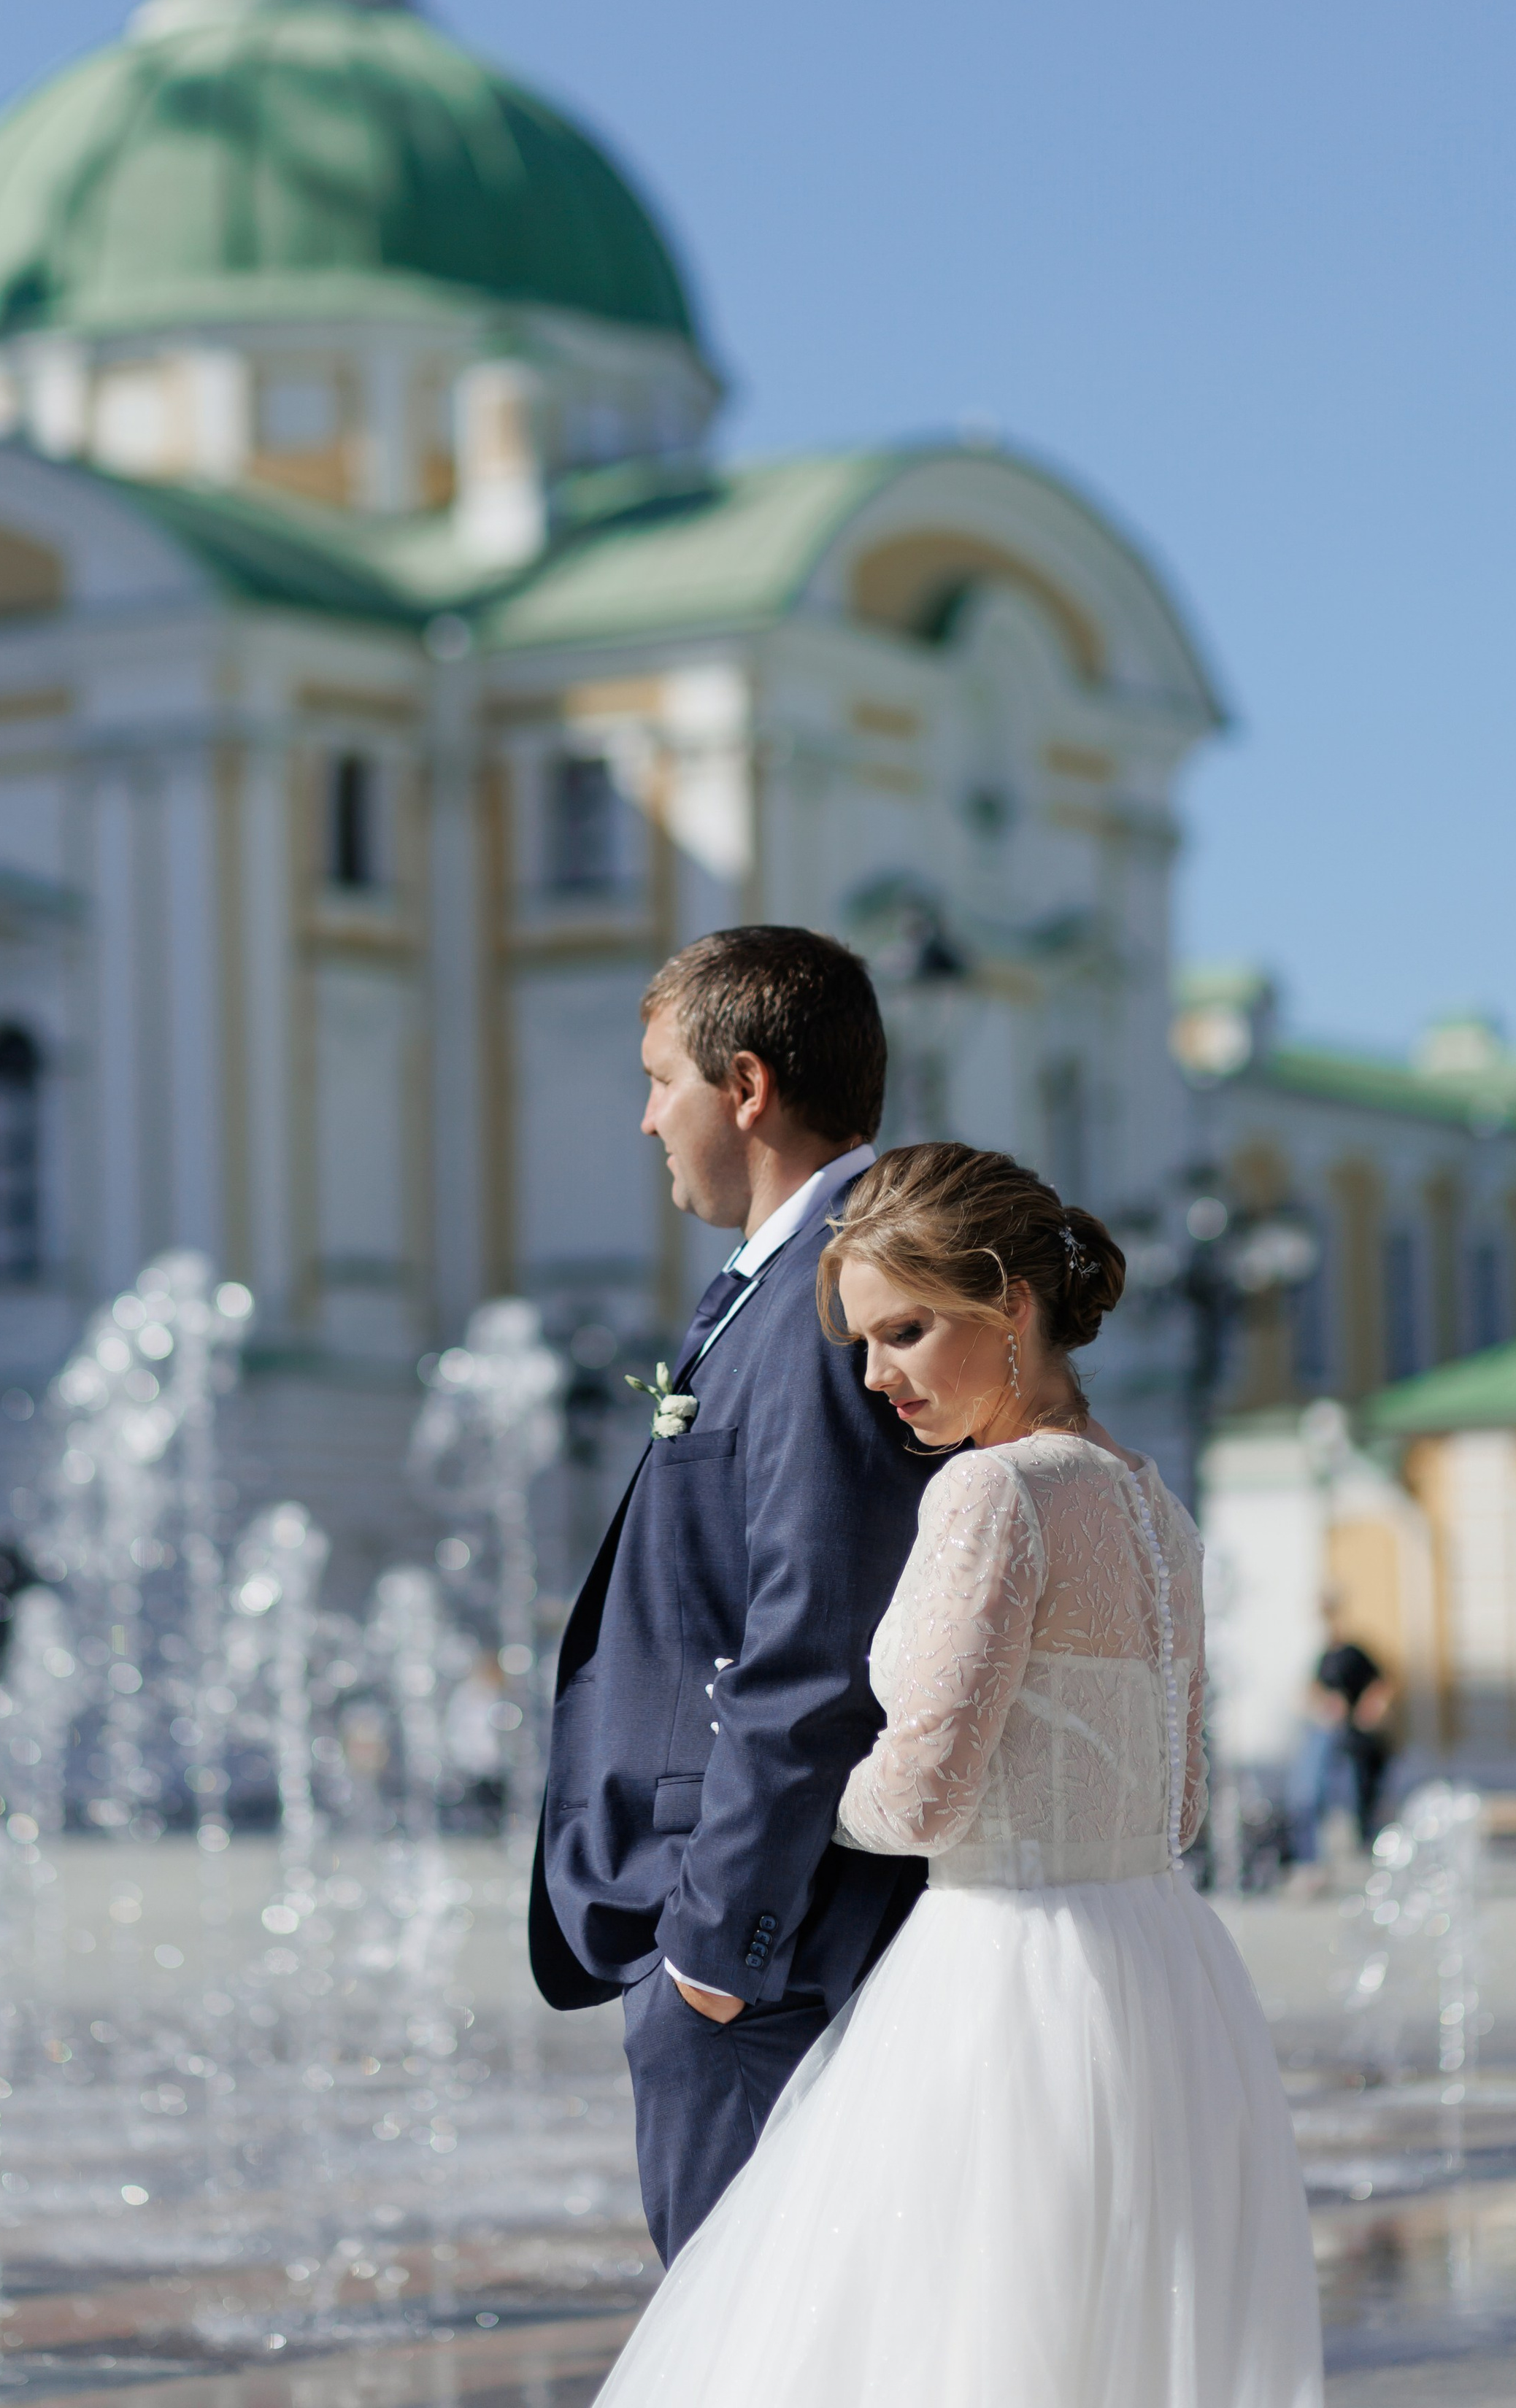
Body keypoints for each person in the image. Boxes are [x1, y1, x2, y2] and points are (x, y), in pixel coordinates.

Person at [593, 1142, 1324, 2408]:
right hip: (1167, 1973)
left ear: (1012, 1303)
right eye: (866, 1343)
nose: (877, 1377)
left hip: (1003, 1972)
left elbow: (922, 1796)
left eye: (907, 1332)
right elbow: (1182, 1802)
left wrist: (782, 1797)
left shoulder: (992, 1493)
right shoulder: (1156, 1506)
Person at [530, 926, 953, 2265]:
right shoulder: (785, 1278)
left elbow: (816, 1643)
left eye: (663, 1080)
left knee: (751, 2335)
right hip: (747, 1945)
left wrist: (718, 1948)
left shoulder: (840, 1291)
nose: (648, 1118)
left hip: (762, 1959)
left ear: (747, 1086)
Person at [1289, 1593, 1396, 1863]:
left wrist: (1367, 1709)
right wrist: (1322, 1704)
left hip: (1356, 1739)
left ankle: (1365, 1845)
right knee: (1317, 1794)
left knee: (1359, 1797)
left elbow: (1381, 1685)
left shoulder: (1353, 1653)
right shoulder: (1325, 1657)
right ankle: (1318, 1855)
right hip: (1334, 1737)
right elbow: (1314, 1692)